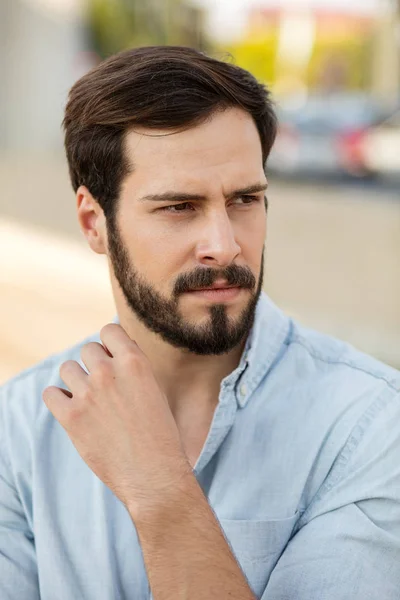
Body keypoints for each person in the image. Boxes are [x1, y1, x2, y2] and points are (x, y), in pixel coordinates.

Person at [0, 46, 399, 600]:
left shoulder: (371, 427)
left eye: (244, 200)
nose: (225, 244)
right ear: (95, 222)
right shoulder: (17, 432)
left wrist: (161, 492)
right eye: (178, 207)